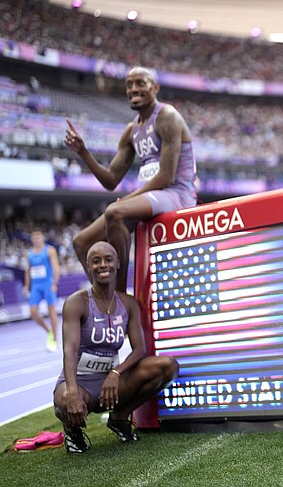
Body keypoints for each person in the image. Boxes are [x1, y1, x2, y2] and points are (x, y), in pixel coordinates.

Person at [64, 66, 197, 293]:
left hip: (177, 194)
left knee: (115, 212)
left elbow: (166, 176)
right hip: (153, 195)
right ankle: (109, 300)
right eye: (129, 84)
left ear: (155, 88)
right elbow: (110, 180)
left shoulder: (167, 117)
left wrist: (126, 200)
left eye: (140, 83)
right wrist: (83, 152)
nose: (133, 89)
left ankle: (121, 296)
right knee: (81, 242)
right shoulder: (131, 130)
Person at [53, 241, 179, 454]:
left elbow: (140, 349)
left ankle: (120, 418)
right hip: (81, 382)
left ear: (118, 263)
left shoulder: (128, 304)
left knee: (168, 366)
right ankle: (72, 430)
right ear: (88, 266)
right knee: (65, 399)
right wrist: (73, 392)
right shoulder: (77, 302)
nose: (103, 265)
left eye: (108, 259)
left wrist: (115, 373)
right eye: (96, 261)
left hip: (111, 383)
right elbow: (70, 351)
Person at [23, 229, 60, 352]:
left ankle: (54, 338)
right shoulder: (29, 253)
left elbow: (56, 267)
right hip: (36, 286)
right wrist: (26, 286)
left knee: (51, 311)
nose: (36, 239)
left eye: (38, 236)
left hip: (48, 284)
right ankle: (48, 330)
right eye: (34, 237)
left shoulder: (49, 250)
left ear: (42, 238)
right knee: (33, 312)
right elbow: (28, 270)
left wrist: (55, 283)